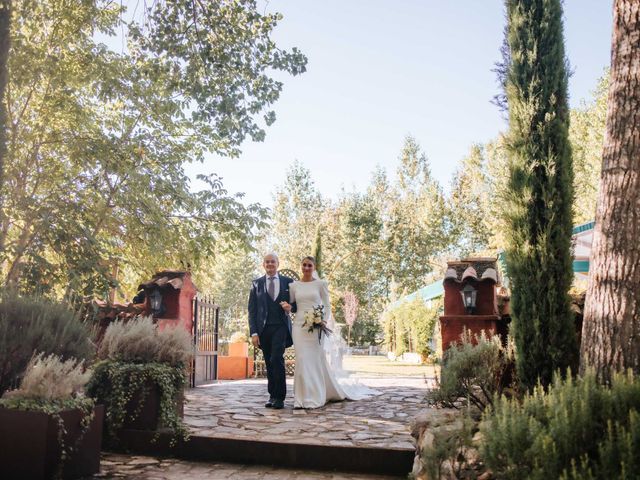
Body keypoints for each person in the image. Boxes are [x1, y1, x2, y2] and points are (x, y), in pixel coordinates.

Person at [281, 256, 350, 409]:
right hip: (299, 326)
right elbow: (293, 306)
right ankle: (301, 398)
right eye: (304, 265)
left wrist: (323, 321)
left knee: (314, 359)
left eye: (309, 265)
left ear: (314, 267)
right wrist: (287, 309)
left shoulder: (321, 284)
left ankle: (316, 395)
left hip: (316, 326)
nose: (306, 268)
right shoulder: (294, 286)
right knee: (302, 358)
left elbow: (326, 305)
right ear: (301, 266)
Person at [248, 253, 295, 409]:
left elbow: (297, 305)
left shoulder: (289, 282)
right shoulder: (256, 284)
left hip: (280, 327)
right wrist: (254, 333)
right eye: (267, 262)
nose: (270, 264)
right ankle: (272, 395)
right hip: (263, 329)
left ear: (278, 263)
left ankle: (280, 397)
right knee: (269, 361)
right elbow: (252, 311)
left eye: (272, 262)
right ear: (263, 264)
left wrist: (290, 308)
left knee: (276, 358)